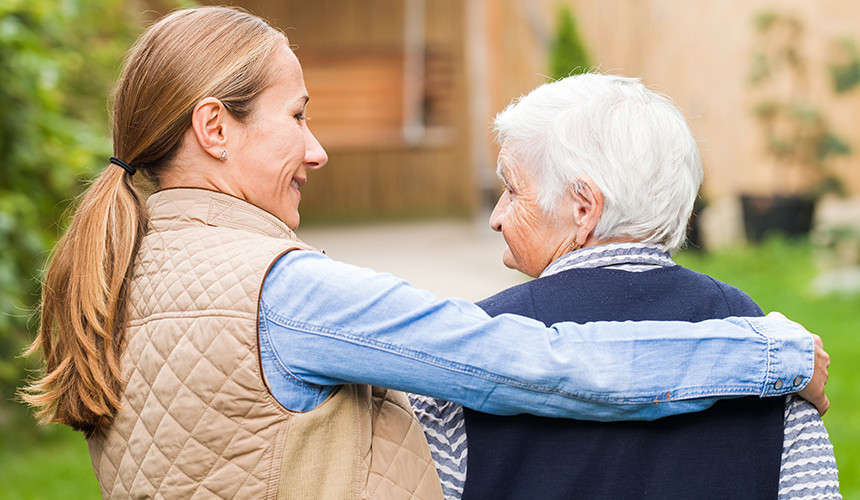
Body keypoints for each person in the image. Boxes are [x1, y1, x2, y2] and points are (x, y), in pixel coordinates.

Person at [22, 7, 828, 499]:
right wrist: (773, 353)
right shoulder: (283, 293)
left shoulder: (127, 272)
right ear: (214, 128)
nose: (317, 150)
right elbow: (538, 364)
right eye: (297, 116)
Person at [411, 74, 840, 500]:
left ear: (583, 207)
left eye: (511, 188)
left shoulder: (469, 348)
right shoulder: (764, 341)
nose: (497, 216)